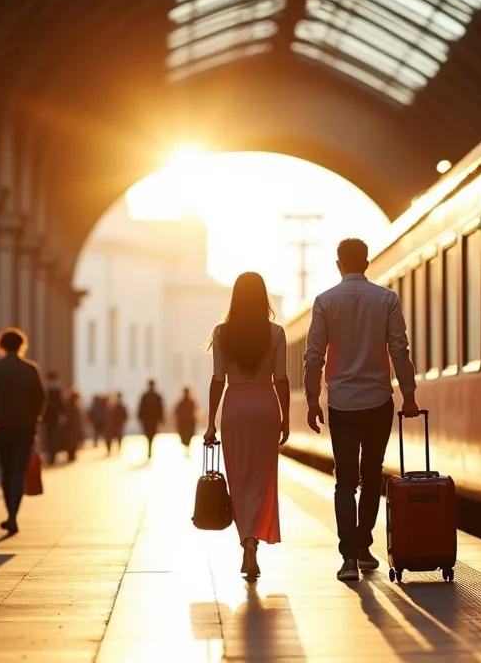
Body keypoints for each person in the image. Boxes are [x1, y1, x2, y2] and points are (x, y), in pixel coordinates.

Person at [304, 238, 418, 582]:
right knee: (372, 477)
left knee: (344, 481)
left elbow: (314, 356)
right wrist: (409, 395)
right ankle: (363, 545)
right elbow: (400, 350)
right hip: (377, 401)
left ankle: (349, 557)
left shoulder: (325, 302)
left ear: (339, 264)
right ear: (366, 263)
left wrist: (312, 400)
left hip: (341, 403)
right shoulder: (386, 299)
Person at [203, 272, 289, 579]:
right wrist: (286, 418)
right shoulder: (276, 333)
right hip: (266, 406)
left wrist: (211, 422)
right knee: (262, 478)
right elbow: (281, 379)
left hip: (235, 406)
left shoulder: (222, 333)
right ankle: (254, 541)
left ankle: (247, 541)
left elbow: (217, 380)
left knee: (238, 478)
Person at [0, 327, 47, 536]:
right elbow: (40, 398)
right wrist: (35, 418)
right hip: (24, 428)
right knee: (18, 470)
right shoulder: (31, 369)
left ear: (1, 345)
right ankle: (12, 515)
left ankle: (9, 512)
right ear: (22, 345)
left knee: (6, 469)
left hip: (1, 428)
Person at [138, 380, 164, 459]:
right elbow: (160, 408)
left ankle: (149, 447)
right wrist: (161, 418)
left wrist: (140, 417)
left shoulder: (146, 396)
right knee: (151, 434)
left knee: (149, 434)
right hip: (152, 419)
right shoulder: (156, 396)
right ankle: (150, 447)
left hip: (148, 419)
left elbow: (141, 408)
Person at [43, 372, 65, 464]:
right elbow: (61, 405)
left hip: (49, 418)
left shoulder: (48, 391)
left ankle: (52, 455)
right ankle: (52, 454)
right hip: (53, 418)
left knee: (50, 437)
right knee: (53, 437)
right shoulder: (56, 391)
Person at [174, 386, 199, 458]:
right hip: (188, 423)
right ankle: (187, 448)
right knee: (187, 436)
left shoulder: (182, 402)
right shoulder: (190, 402)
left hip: (184, 423)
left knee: (186, 436)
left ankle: (187, 449)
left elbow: (176, 412)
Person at [64, 390, 83, 461]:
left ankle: (71, 454)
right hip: (72, 428)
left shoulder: (68, 405)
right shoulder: (74, 406)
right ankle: (71, 454)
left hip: (70, 428)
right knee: (72, 442)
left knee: (71, 442)